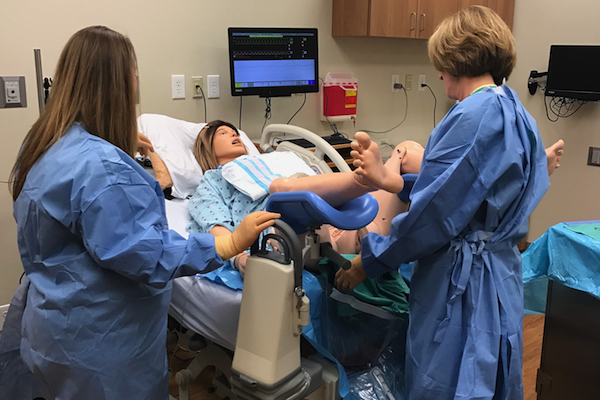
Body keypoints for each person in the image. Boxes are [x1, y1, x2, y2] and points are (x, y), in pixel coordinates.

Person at [2, 26, 278, 400]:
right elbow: (142, 251)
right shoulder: (106, 170)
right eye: (134, 73)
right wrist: (226, 245)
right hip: (102, 346)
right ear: (119, 82)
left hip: (54, 324)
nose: (137, 82)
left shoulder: (43, 144)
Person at [335, 6, 551, 400]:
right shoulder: (516, 111)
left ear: (458, 58)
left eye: (442, 63)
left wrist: (369, 261)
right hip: (499, 273)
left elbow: (431, 217)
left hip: (461, 285)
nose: (438, 73)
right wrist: (394, 180)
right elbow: (467, 189)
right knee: (492, 373)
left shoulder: (471, 117)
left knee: (449, 382)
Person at [187, 120, 407, 275]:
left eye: (234, 131)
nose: (234, 134)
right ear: (207, 148)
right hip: (292, 235)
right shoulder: (212, 181)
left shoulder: (273, 160)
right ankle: (363, 181)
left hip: (355, 226)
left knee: (406, 150)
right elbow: (218, 231)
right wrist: (240, 258)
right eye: (223, 134)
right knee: (280, 187)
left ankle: (373, 182)